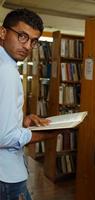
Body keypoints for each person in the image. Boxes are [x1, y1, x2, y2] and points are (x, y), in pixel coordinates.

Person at [0, 8, 50, 200]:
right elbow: (4, 137)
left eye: (34, 41)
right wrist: (46, 134)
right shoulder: (6, 71)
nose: (28, 46)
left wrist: (22, 121)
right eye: (22, 36)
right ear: (3, 32)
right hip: (6, 174)